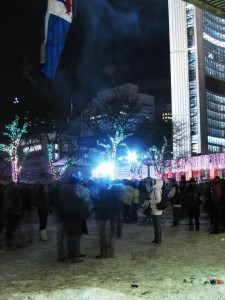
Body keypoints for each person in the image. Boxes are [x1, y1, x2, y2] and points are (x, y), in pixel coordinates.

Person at [58, 177, 84, 263]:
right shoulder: (70, 191)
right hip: (72, 218)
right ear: (75, 183)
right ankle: (74, 256)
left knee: (71, 237)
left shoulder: (65, 190)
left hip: (69, 217)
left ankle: (71, 254)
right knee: (74, 238)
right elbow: (74, 204)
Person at [149, 179, 163, 244]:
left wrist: (150, 202)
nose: (153, 183)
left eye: (155, 182)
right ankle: (157, 239)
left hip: (156, 210)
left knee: (157, 226)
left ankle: (158, 240)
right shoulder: (155, 189)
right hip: (155, 210)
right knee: (157, 226)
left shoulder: (157, 190)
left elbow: (158, 200)